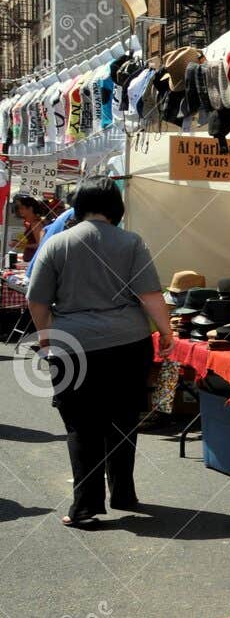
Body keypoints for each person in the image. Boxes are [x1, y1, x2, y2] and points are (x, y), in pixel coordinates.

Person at [24, 178, 170, 528]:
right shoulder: (132, 242)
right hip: (129, 343)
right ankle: (123, 493)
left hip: (72, 346)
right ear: (116, 207)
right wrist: (166, 332)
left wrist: (46, 340)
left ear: (78, 204)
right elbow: (150, 295)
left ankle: (86, 508)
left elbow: (37, 299)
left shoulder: (56, 243)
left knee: (81, 424)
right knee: (124, 419)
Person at [9, 194, 48, 266]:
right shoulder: (32, 223)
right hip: (30, 260)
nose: (20, 210)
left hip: (33, 261)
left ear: (30, 208)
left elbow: (40, 245)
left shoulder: (36, 223)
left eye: (22, 208)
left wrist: (22, 245)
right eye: (19, 208)